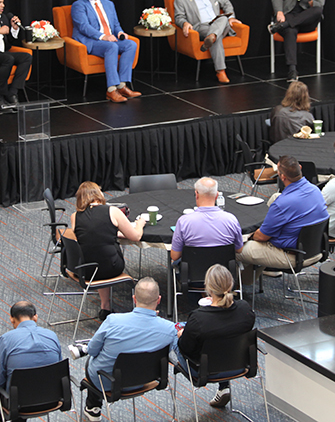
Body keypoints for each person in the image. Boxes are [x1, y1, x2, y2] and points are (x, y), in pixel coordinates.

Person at [81, 277, 177, 422]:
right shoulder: (170, 329)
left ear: (134, 298)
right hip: (146, 379)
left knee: (92, 361)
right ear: (159, 300)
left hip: (108, 382)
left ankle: (93, 408)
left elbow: (93, 350)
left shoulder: (113, 320)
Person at [237, 155, 328, 283]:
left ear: (282, 177)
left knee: (236, 248)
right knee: (275, 196)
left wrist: (250, 236)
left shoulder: (282, 204)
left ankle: (237, 285)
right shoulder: (315, 190)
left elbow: (261, 237)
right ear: (300, 168)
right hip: (316, 248)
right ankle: (249, 277)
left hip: (291, 255)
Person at [176, 264, 256, 409]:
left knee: (176, 335)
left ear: (208, 288)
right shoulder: (246, 310)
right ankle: (224, 387)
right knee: (220, 338)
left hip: (204, 370)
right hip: (239, 364)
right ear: (231, 284)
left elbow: (186, 349)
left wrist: (181, 335)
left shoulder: (199, 319)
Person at [70, 181, 145, 321]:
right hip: (111, 267)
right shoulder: (112, 211)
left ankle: (105, 305)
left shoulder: (75, 216)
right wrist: (140, 224)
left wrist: (109, 232)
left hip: (85, 270)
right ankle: (107, 305)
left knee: (96, 253)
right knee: (104, 255)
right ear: (99, 194)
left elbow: (87, 236)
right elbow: (136, 236)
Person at [71, 0, 141, 103]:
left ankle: (121, 85)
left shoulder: (108, 4)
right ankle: (111, 90)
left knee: (131, 44)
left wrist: (120, 32)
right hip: (92, 41)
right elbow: (83, 27)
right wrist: (104, 37)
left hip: (110, 39)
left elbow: (115, 24)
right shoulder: (78, 5)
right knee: (112, 46)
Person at [0, 300, 63, 422]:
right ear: (35, 318)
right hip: (52, 400)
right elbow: (59, 371)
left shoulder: (7, 339)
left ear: (12, 320)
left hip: (17, 403)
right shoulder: (52, 336)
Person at [173, 0, 241, 84]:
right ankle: (220, 71)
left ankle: (212, 37)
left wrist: (232, 17)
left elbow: (226, 3)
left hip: (218, 23)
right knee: (218, 30)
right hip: (201, 27)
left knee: (224, 18)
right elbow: (178, 17)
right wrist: (184, 23)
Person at [268, 0, 327, 81]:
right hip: (288, 16)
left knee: (317, 10)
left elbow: (319, 5)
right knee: (290, 30)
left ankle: (282, 26)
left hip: (307, 21)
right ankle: (292, 71)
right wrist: (279, 12)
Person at [170, 177, 243, 263]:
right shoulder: (231, 220)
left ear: (196, 194)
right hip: (222, 273)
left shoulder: (183, 222)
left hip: (193, 273)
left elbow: (175, 256)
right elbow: (239, 249)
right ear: (216, 195)